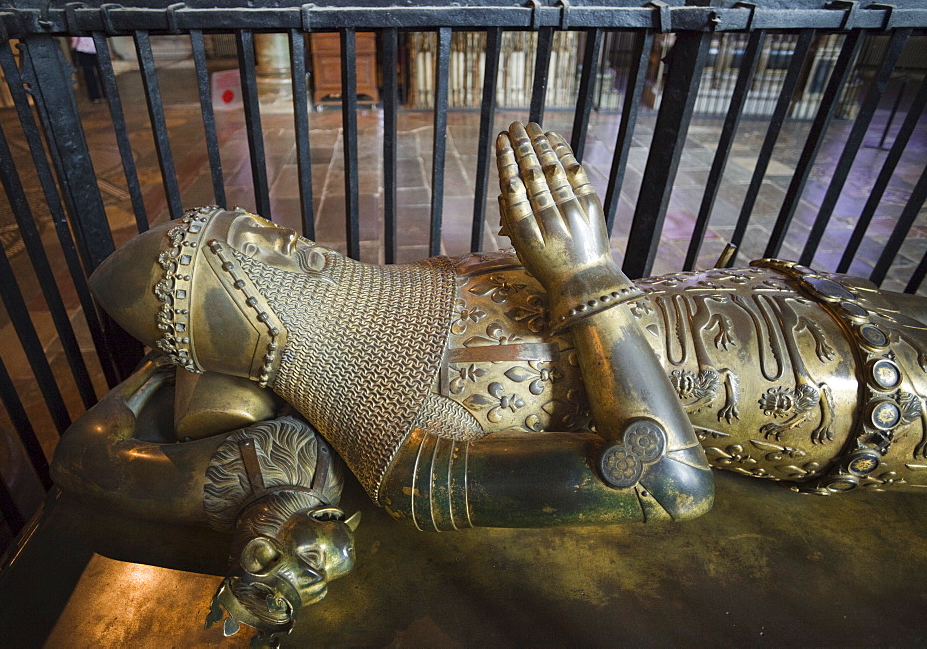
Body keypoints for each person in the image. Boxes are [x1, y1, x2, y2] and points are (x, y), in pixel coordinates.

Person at [53, 121, 927, 641]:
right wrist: (584, 277)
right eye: (242, 251)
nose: (277, 234)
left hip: (795, 299)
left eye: (248, 224)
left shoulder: (403, 283)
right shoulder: (397, 441)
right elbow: (667, 481)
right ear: (237, 319)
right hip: (842, 397)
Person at [70, 36, 104, 103]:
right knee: (101, 73)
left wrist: (72, 48)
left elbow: (75, 39)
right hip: (96, 48)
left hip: (83, 50)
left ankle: (95, 96)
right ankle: (105, 93)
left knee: (89, 74)